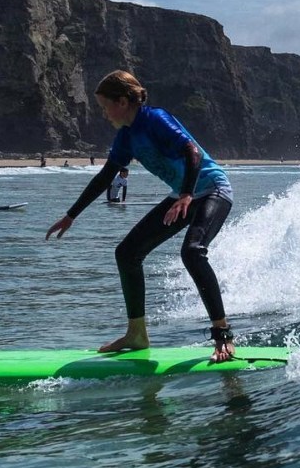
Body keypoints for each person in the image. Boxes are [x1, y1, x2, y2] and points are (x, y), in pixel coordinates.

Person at [47, 70, 236, 362]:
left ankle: (222, 333)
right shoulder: (126, 137)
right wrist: (71, 215)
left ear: (122, 101)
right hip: (183, 195)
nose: (104, 114)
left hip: (212, 190)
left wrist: (187, 193)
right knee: (127, 253)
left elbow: (192, 153)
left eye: (105, 106)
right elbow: (104, 177)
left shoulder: (155, 119)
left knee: (193, 252)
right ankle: (136, 334)